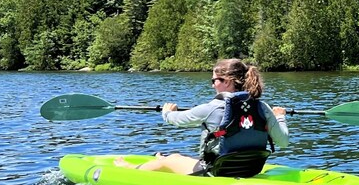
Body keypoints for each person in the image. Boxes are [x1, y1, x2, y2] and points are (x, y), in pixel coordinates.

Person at [114, 59, 289, 176]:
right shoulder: (262, 107)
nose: (212, 84)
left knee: (172, 159)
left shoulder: (211, 108)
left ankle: (130, 169)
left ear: (227, 81)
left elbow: (178, 119)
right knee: (175, 157)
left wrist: (167, 112)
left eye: (214, 80)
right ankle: (164, 160)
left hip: (217, 172)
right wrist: (280, 117)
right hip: (251, 169)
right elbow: (283, 142)